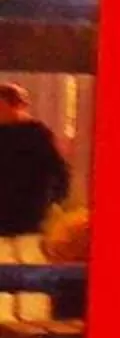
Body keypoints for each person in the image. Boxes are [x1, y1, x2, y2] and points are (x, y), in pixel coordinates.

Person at [0, 85, 66, 247]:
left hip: (28, 208)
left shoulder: (35, 133)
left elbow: (56, 167)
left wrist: (57, 197)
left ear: (14, 105)